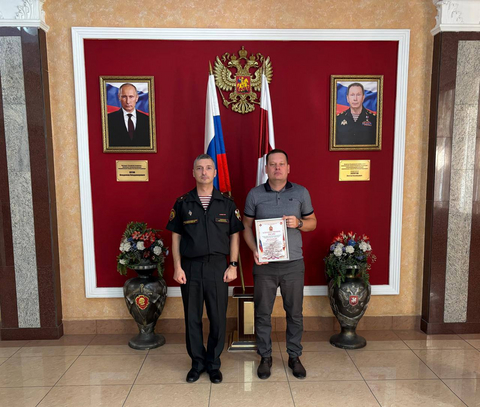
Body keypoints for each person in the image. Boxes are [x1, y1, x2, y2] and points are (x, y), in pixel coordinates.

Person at [166, 154, 244, 384]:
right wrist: (177, 266)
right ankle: (197, 363)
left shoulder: (227, 204)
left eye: (208, 168)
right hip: (190, 266)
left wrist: (233, 265)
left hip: (218, 266)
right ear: (193, 173)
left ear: (215, 172)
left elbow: (235, 235)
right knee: (192, 318)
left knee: (218, 317)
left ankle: (213, 363)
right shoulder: (182, 203)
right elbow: (176, 237)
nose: (204, 172)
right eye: (199, 168)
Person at [242, 149, 317, 380]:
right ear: (266, 168)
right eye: (272, 164)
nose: (277, 168)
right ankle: (265, 356)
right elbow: (245, 226)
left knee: (294, 313)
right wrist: (254, 250)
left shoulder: (301, 192)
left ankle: (294, 356)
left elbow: (313, 223)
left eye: (281, 164)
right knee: (262, 313)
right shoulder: (254, 194)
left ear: (288, 168)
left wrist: (299, 223)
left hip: (293, 264)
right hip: (264, 264)